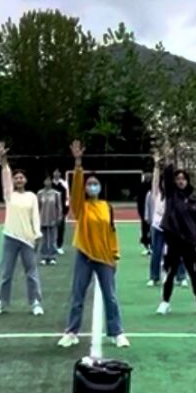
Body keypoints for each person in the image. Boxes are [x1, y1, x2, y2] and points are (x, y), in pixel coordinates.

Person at [59, 139, 128, 348]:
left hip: (105, 256)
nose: (92, 187)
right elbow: (76, 189)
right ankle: (72, 332)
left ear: (100, 187)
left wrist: (114, 254)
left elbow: (111, 231)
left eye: (95, 184)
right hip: (85, 255)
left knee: (110, 297)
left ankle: (117, 332)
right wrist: (78, 163)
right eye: (89, 184)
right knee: (77, 295)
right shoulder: (81, 206)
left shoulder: (107, 207)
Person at [0, 143, 44, 316]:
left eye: (21, 178)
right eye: (16, 178)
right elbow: (5, 176)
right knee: (6, 273)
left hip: (27, 239)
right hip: (10, 237)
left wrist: (37, 235)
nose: (19, 180)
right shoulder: (9, 195)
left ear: (26, 180)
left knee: (31, 273)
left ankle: (35, 302)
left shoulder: (32, 197)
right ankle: (1, 303)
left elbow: (35, 217)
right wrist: (3, 160)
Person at [154, 150, 196, 316]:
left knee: (193, 272)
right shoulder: (171, 194)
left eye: (183, 179)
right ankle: (165, 302)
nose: (180, 181)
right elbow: (167, 176)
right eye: (178, 179)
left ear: (187, 180)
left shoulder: (193, 198)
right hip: (174, 240)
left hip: (190, 241)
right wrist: (169, 158)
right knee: (170, 272)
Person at [36, 177, 66, 266]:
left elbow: (59, 207)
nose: (47, 182)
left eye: (49, 180)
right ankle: (44, 257)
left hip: (53, 219)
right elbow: (37, 207)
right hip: (42, 219)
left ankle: (52, 257)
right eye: (46, 180)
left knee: (53, 239)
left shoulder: (56, 194)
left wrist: (59, 217)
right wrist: (36, 218)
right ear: (44, 182)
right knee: (44, 240)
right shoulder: (40, 193)